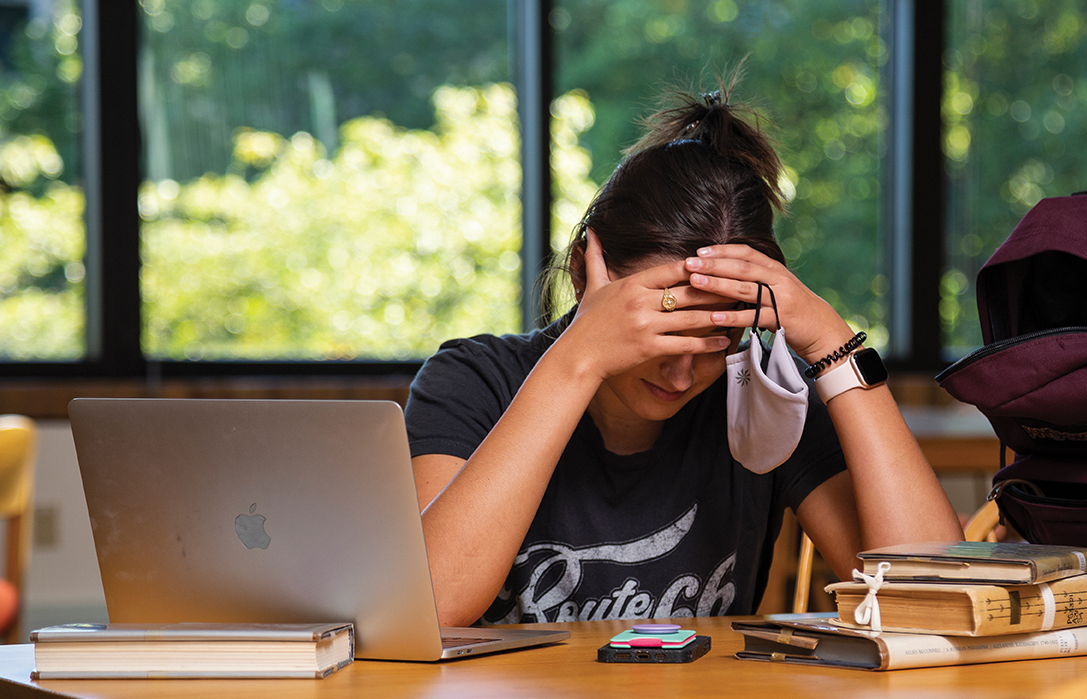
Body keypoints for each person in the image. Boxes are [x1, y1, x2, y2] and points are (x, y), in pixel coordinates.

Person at [404, 77, 962, 627]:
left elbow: (929, 602)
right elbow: (429, 606)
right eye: (661, 330)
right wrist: (580, 358)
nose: (679, 373)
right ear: (583, 272)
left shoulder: (758, 400)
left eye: (715, 339)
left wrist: (834, 346)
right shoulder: (470, 380)